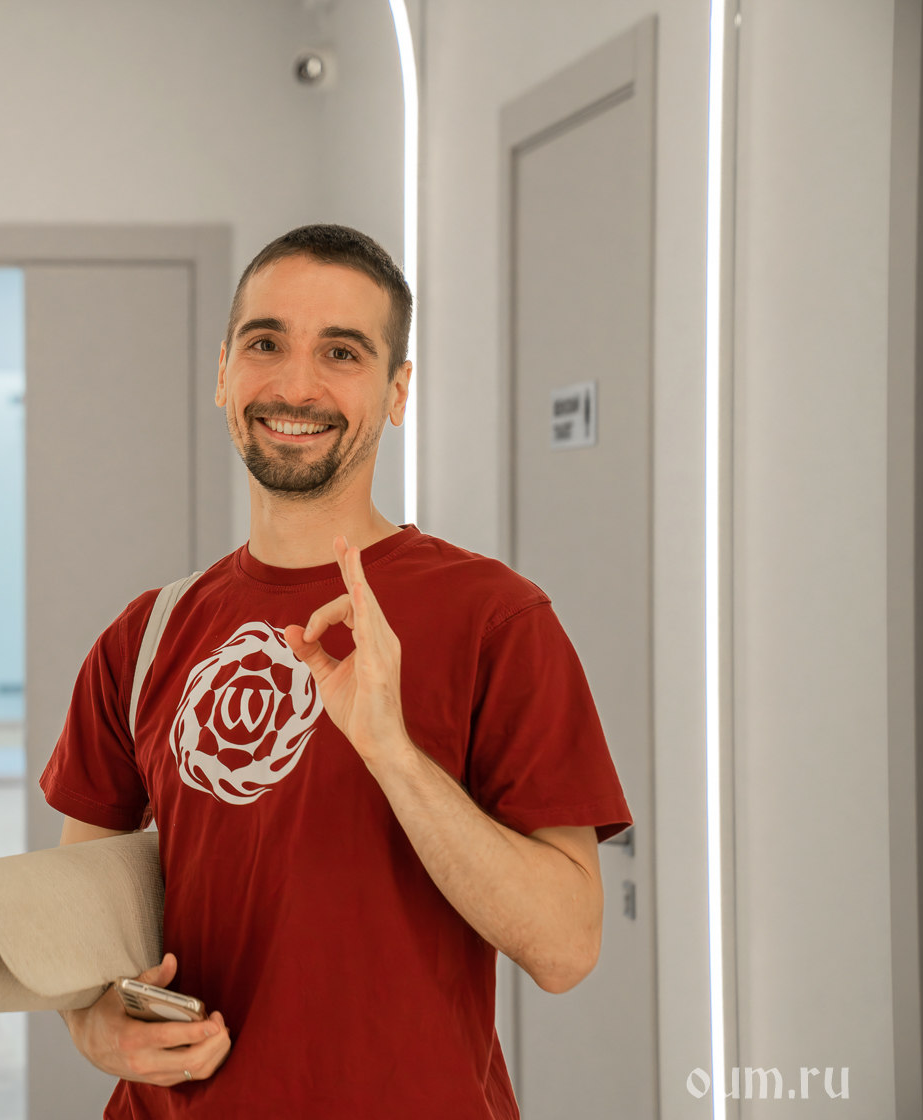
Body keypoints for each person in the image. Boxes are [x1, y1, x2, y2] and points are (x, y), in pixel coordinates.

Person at [40, 224, 632, 1118]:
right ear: (222, 373)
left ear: (397, 392)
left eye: (342, 352)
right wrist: (91, 1024)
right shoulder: (146, 635)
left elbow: (565, 948)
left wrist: (392, 754)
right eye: (264, 343)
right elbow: (77, 919)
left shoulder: (495, 619)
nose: (295, 385)